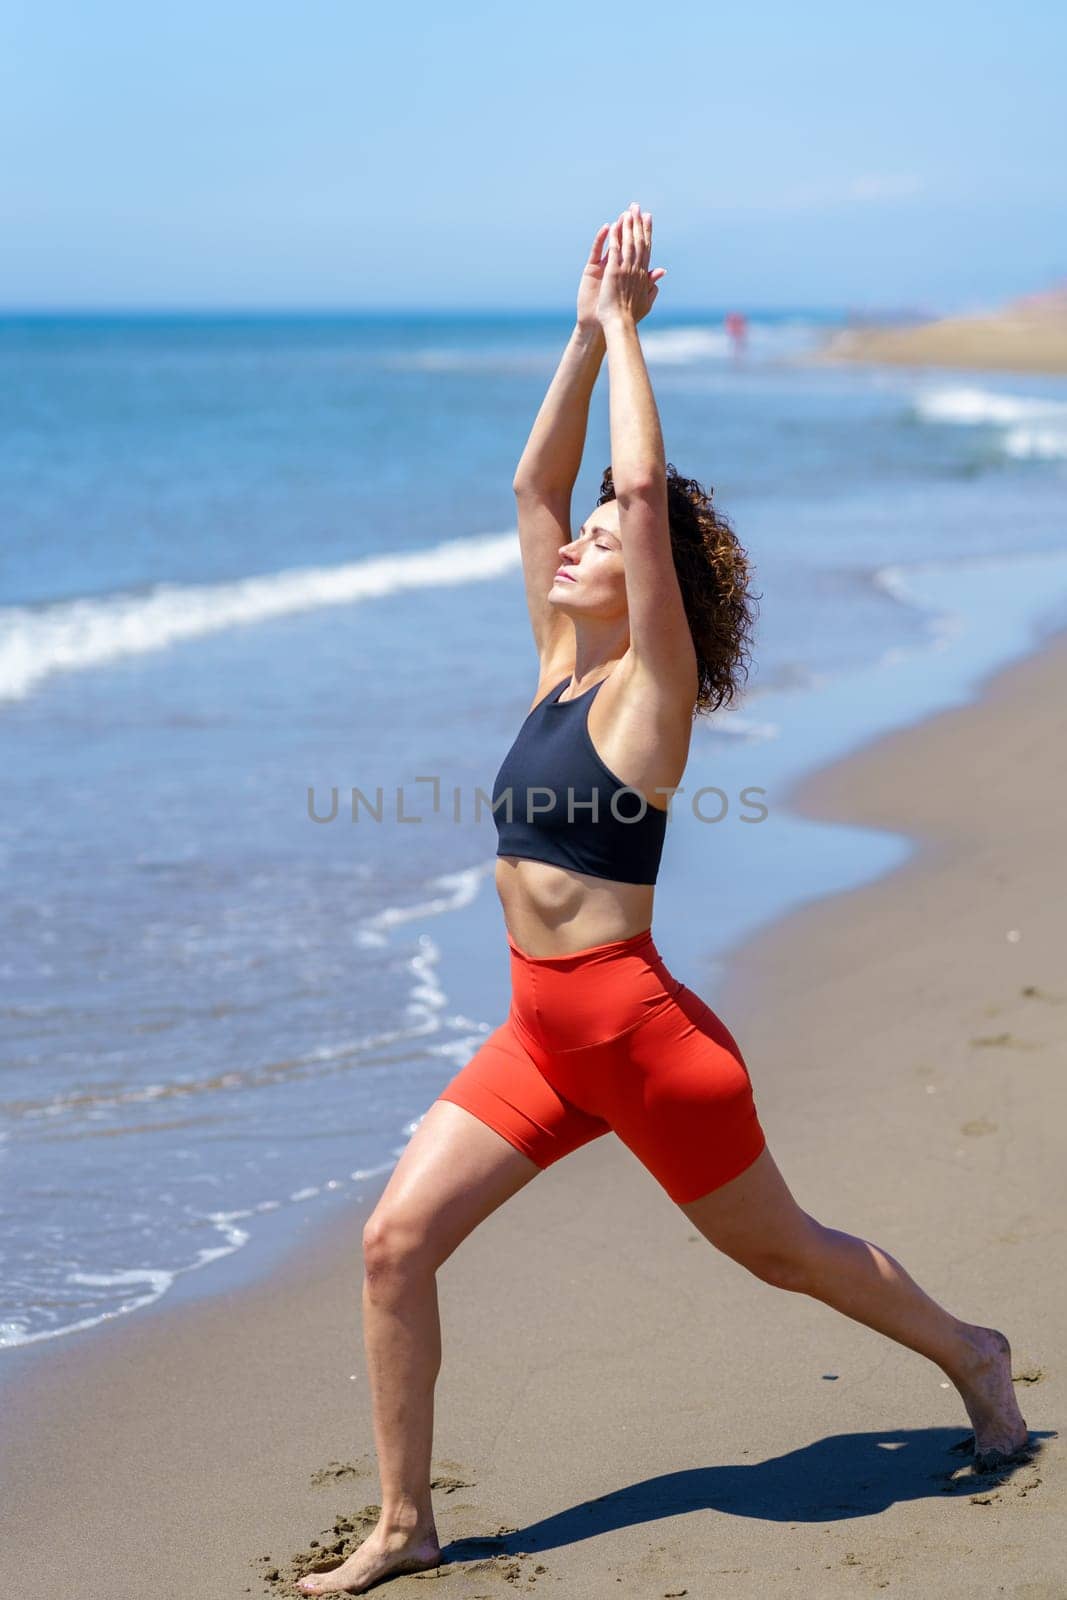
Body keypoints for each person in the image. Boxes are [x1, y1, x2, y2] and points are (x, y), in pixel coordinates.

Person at [297, 203, 1029, 1595]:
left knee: (786, 1257)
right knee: (396, 1246)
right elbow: (532, 490)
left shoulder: (650, 697)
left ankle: (974, 1356)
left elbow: (635, 502)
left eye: (600, 545)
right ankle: (404, 1523)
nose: (571, 542)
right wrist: (579, 335)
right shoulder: (559, 666)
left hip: (643, 1045)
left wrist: (636, 334)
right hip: (537, 1041)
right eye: (572, 542)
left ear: (648, 588)